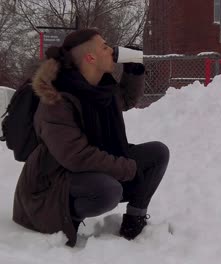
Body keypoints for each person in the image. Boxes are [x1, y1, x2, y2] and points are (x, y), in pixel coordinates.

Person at [12, 28, 170, 247]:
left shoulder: (101, 85)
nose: (111, 50)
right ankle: (66, 220)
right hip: (50, 187)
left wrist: (133, 71)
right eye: (104, 46)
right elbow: (76, 157)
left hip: (82, 173)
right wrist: (126, 168)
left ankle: (134, 220)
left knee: (157, 153)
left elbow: (124, 100)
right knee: (108, 190)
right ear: (90, 57)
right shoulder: (56, 100)